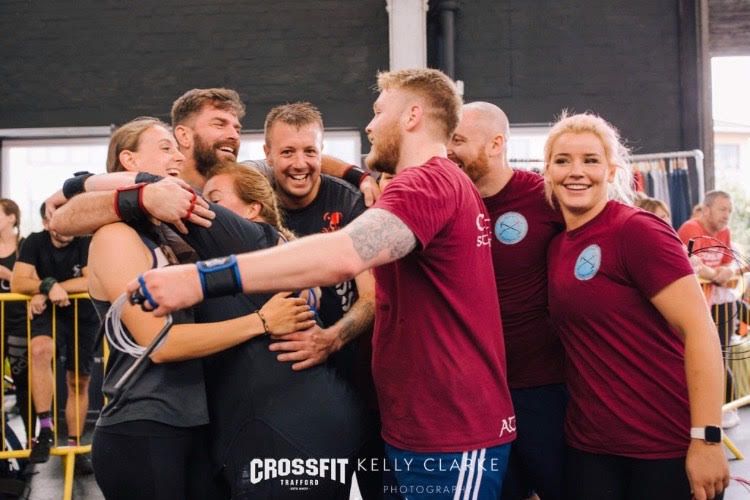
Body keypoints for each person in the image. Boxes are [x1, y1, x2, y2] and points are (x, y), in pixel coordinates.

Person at [128, 68, 516, 500]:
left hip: (451, 431)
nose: (370, 125)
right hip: (418, 424)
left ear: (412, 116)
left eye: (378, 111)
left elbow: (343, 255)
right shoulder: (428, 182)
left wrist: (200, 279)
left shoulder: (427, 183)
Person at [87, 117, 316, 499]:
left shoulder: (169, 235)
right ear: (129, 162)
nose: (178, 156)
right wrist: (261, 321)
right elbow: (161, 343)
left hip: (194, 422)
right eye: (165, 148)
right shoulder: (116, 237)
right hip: (144, 424)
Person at [542, 112, 728, 499]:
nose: (576, 172)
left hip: (664, 446)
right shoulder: (557, 245)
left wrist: (707, 438)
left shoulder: (636, 230)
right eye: (562, 160)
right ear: (548, 172)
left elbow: (700, 330)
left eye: (590, 160)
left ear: (611, 171)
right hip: (591, 448)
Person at [447, 101, 566, 500]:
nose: (449, 150)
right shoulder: (447, 201)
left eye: (458, 140)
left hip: (543, 384)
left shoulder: (543, 197)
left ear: (496, 144)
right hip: (476, 391)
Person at [10, 203, 99, 474]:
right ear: (48, 223)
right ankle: (46, 430)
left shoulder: (86, 241)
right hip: (49, 312)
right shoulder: (35, 242)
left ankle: (74, 445)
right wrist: (48, 286)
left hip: (82, 314)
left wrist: (51, 288)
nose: (67, 224)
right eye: (59, 218)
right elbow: (18, 282)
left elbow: (90, 281)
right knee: (39, 350)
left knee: (78, 380)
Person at [677, 190, 740, 428]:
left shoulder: (725, 232)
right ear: (706, 209)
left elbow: (729, 261)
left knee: (721, 354)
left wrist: (728, 271)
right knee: (700, 356)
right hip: (695, 303)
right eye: (722, 209)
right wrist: (715, 274)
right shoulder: (690, 229)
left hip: (718, 300)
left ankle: (723, 408)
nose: (727, 215)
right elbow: (690, 264)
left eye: (730, 210)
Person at [0, 199, 35, 442]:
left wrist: (8, 274)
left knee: (22, 381)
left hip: (19, 321)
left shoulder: (25, 246)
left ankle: (32, 439)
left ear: (12, 217)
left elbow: (33, 282)